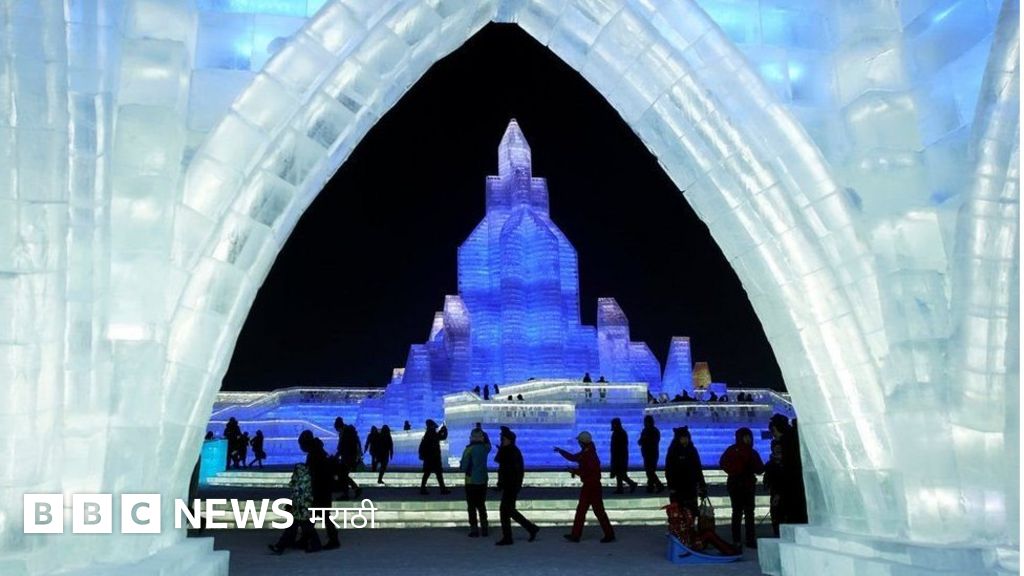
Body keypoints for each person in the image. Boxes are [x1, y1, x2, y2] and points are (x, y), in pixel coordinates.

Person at [554, 431, 615, 543]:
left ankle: (606, 534)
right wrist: (561, 451)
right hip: (592, 486)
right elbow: (574, 458)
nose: (578, 443)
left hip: (591, 486)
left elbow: (586, 470)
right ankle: (577, 535)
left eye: (579, 441)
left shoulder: (587, 454)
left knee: (590, 511)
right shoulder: (588, 452)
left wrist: (574, 471)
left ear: (582, 442)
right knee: (587, 511)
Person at [719, 427, 764, 549]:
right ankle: (745, 539)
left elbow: (722, 463)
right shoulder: (747, 452)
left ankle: (741, 539)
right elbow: (760, 469)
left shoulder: (736, 450)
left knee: (742, 513)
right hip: (741, 484)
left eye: (749, 437)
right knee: (743, 513)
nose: (748, 439)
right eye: (746, 437)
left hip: (740, 484)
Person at [494, 427, 538, 545]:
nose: (501, 440)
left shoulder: (510, 451)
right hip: (512, 485)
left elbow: (505, 468)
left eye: (503, 438)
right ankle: (530, 528)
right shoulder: (510, 450)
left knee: (505, 510)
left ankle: (509, 537)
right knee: (509, 510)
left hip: (511, 485)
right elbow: (500, 463)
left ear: (509, 439)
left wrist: (502, 484)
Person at [297, 430, 340, 550]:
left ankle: (332, 539)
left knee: (320, 514)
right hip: (322, 488)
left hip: (320, 489)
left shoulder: (315, 453)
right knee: (317, 515)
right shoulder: (317, 451)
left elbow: (316, 472)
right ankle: (307, 538)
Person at [268, 463, 319, 554]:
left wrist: (296, 505)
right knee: (299, 527)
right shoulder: (302, 479)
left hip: (302, 507)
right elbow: (299, 495)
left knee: (303, 527)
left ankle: (281, 546)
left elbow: (301, 495)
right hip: (300, 507)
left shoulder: (302, 480)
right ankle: (280, 546)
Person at [770, 414, 807, 524]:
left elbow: (787, 471)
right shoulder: (794, 438)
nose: (773, 435)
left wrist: (779, 492)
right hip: (797, 486)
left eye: (773, 431)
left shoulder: (787, 442)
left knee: (793, 517)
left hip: (792, 489)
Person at [664, 427, 707, 519]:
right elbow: (669, 470)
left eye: (686, 437)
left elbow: (698, 469)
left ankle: (691, 527)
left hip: (691, 487)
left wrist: (702, 485)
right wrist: (671, 486)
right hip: (678, 487)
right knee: (679, 514)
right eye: (683, 437)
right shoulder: (673, 451)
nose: (685, 439)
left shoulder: (692, 450)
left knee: (692, 512)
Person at [460, 429, 491, 537]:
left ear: (472, 438)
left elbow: (463, 467)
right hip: (483, 480)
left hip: (471, 481)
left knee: (472, 506)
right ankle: (484, 528)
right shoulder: (485, 448)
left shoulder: (469, 450)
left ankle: (474, 530)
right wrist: (484, 436)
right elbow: (489, 444)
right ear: (482, 438)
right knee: (481, 505)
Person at [419, 419, 450, 495]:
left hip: (429, 458)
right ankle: (442, 489)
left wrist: (442, 430)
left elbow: (439, 437)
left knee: (427, 474)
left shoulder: (428, 434)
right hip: (434, 458)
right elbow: (442, 437)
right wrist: (444, 430)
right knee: (437, 474)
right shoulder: (432, 433)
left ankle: (423, 488)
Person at [333, 418, 361, 498]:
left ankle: (349, 492)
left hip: (348, 457)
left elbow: (342, 447)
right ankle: (353, 490)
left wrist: (336, 456)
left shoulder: (345, 433)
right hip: (350, 456)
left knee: (343, 475)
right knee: (344, 475)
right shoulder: (348, 432)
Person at [762, 439, 785, 537]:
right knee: (776, 516)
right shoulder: (770, 464)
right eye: (776, 447)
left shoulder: (788, 463)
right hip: (775, 494)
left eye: (780, 447)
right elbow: (767, 479)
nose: (778, 449)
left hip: (786, 494)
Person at [609, 418, 638, 493]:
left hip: (619, 456)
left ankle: (630, 484)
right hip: (621, 456)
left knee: (620, 473)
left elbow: (617, 447)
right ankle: (621, 488)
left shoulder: (618, 433)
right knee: (620, 473)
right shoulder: (621, 432)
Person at [638, 415, 664, 493]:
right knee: (650, 471)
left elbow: (644, 441)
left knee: (650, 471)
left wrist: (643, 441)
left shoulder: (648, 431)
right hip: (651, 453)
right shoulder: (653, 430)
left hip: (650, 453)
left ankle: (658, 485)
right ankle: (651, 486)